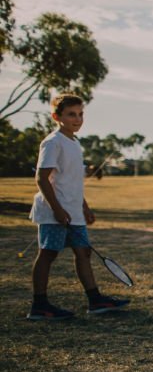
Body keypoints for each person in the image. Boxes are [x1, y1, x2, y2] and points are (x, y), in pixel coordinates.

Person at [27, 94, 130, 320]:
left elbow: (72, 181)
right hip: (54, 211)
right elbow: (42, 179)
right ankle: (39, 305)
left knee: (83, 253)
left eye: (80, 114)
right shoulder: (52, 142)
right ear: (57, 117)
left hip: (73, 211)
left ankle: (95, 301)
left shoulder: (74, 142)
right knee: (48, 254)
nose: (77, 119)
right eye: (71, 114)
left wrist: (84, 207)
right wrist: (57, 209)